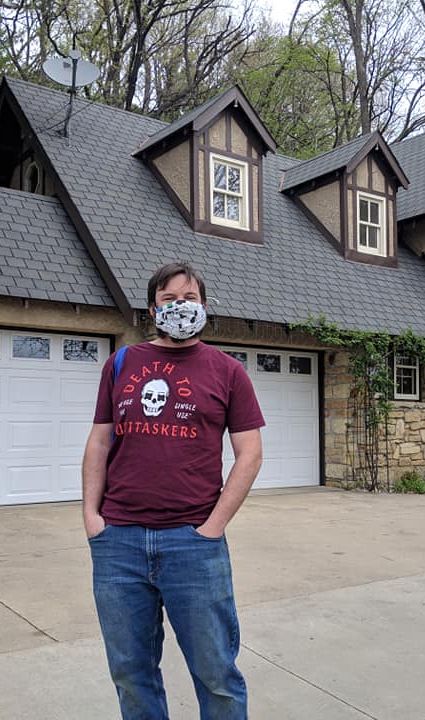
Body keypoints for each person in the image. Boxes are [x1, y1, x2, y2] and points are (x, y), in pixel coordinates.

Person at [82, 261, 264, 720]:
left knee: (216, 674)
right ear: (152, 309)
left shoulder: (228, 372)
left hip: (194, 544)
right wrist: (92, 518)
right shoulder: (121, 363)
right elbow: (99, 441)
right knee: (131, 673)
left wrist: (213, 527)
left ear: (204, 305)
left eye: (189, 298)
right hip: (119, 542)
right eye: (169, 299)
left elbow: (250, 454)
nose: (180, 306)